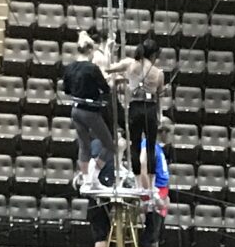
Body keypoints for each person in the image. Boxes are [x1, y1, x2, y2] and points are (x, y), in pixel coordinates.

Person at [63, 32, 117, 190]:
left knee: (84, 146)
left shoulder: (70, 67)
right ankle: (94, 173)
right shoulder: (91, 68)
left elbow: (66, 90)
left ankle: (87, 181)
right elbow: (106, 89)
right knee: (109, 145)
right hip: (90, 111)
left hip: (75, 110)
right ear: (90, 51)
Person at [124, 40, 165, 180]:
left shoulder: (131, 66)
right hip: (150, 107)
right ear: (153, 54)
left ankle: (137, 183)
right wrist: (160, 115)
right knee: (150, 147)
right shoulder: (158, 73)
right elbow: (159, 97)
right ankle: (151, 186)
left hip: (135, 107)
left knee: (134, 145)